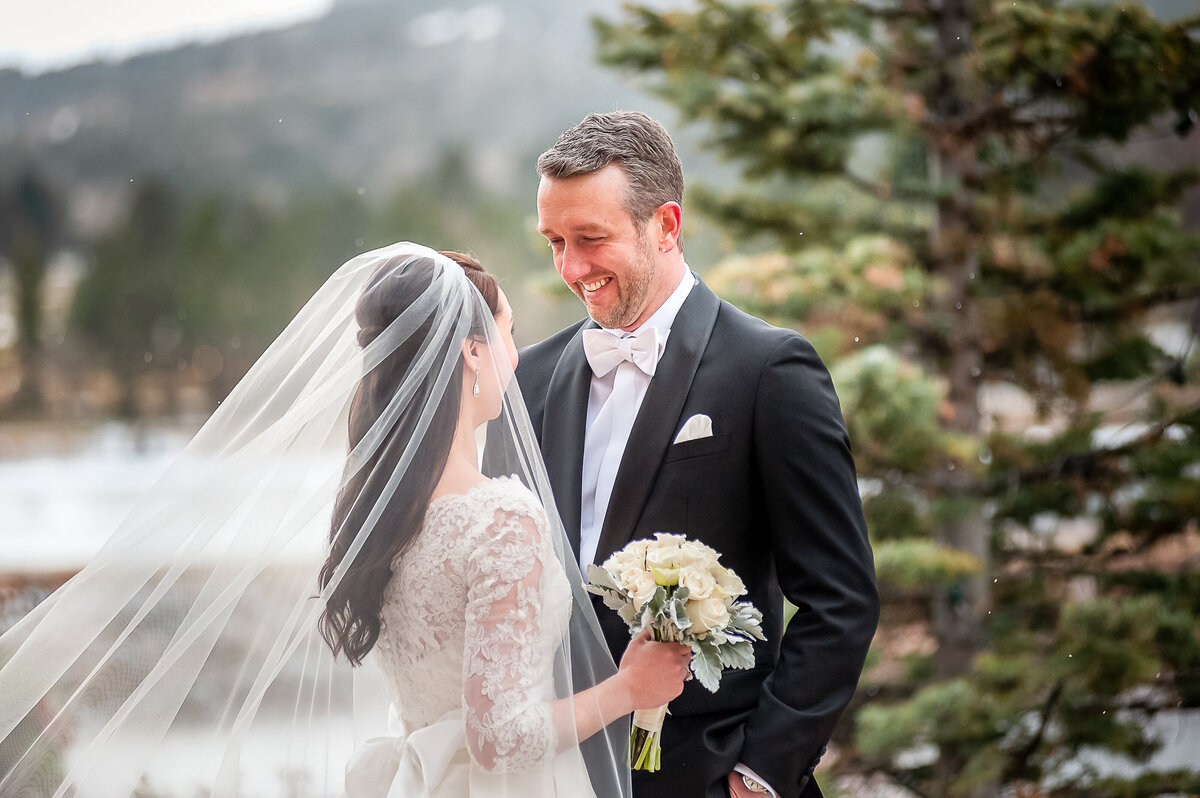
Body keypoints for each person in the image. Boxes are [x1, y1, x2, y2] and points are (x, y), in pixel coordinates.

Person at [0, 242, 688, 798]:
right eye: (505, 333)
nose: (515, 356)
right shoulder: (500, 519)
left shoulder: (384, 512)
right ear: (469, 351)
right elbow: (497, 737)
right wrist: (630, 688)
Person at [515, 112, 880, 798]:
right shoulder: (530, 379)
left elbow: (841, 600)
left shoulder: (768, 370)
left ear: (667, 225)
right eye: (555, 242)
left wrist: (758, 775)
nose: (571, 268)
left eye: (591, 239)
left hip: (708, 776)